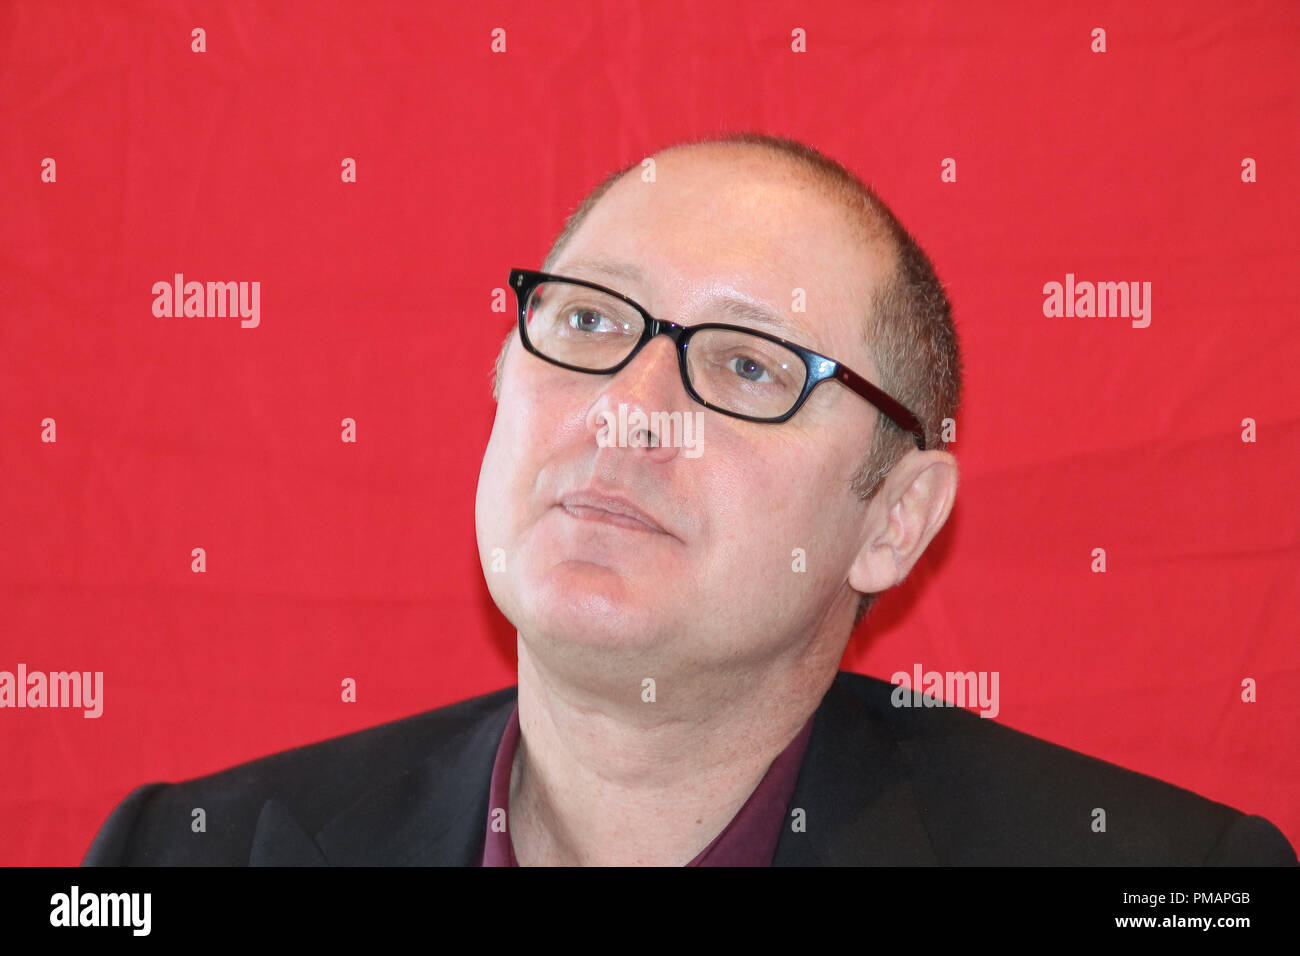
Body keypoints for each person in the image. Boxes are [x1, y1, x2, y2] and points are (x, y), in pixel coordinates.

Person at [83, 132, 1296, 866]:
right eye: (590, 321)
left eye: (749, 364)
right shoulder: (184, 852)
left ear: (895, 520)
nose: (629, 406)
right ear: (503, 382)